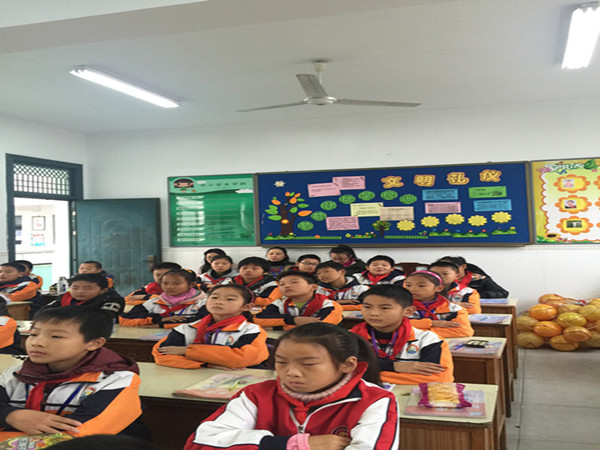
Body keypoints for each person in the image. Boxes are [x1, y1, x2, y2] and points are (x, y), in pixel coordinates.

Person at [184, 322, 399, 450]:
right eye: (281, 362)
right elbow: (202, 442)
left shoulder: (375, 400)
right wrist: (292, 444)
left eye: (308, 364)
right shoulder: (257, 394)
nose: (291, 372)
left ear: (348, 364)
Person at [0, 307, 144, 439]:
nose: (37, 342)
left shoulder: (117, 380)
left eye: (56, 336)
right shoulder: (14, 374)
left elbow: (81, 432)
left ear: (94, 343)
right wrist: (11, 415)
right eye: (33, 334)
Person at [350, 285, 453, 384]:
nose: (373, 313)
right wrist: (395, 366)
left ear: (408, 311)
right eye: (367, 307)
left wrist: (362, 374)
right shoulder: (349, 337)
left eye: (385, 308)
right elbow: (341, 370)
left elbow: (439, 378)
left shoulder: (428, 340)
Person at [152, 284, 268, 369]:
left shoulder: (251, 330)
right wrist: (207, 364)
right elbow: (162, 355)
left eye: (230, 299)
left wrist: (187, 351)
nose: (218, 302)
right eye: (214, 297)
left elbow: (243, 358)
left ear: (247, 307)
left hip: (240, 375)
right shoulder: (186, 328)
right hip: (196, 373)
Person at [254, 271, 342, 330]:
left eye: (294, 282)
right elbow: (258, 319)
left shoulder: (329, 304)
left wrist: (277, 327)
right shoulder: (279, 303)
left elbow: (320, 326)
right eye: (282, 284)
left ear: (314, 287)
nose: (287, 286)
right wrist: (294, 320)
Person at [119, 269, 206, 327]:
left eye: (176, 283)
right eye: (165, 283)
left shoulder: (203, 303)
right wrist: (160, 319)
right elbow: (125, 318)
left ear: (191, 284)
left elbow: (202, 322)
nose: (169, 287)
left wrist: (160, 325)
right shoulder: (154, 302)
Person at [403, 271, 473, 338]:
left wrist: (413, 328)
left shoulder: (454, 309)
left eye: (421, 286)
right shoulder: (400, 307)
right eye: (408, 285)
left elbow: (464, 331)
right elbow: (397, 327)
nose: (412, 289)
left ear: (439, 288)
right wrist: (431, 323)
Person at [43, 274, 124, 321]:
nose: (80, 291)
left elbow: (100, 318)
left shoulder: (112, 300)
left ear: (103, 290)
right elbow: (43, 313)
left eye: (88, 288)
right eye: (75, 288)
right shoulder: (64, 298)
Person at [440, 256, 509, 298]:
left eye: (453, 268)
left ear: (463, 266)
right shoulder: (438, 280)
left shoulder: (480, 279)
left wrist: (473, 295)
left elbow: (503, 293)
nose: (449, 270)